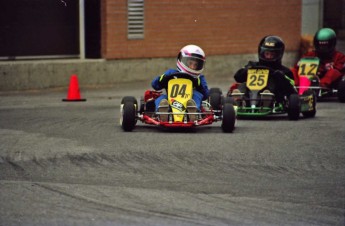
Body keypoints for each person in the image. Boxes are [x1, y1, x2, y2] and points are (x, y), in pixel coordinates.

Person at [230, 35, 296, 103]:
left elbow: (291, 88)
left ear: (279, 54)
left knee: (271, 82)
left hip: (274, 98)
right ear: (261, 52)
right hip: (249, 97)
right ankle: (238, 99)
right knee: (243, 84)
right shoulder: (252, 65)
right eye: (267, 54)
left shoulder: (284, 70)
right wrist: (248, 70)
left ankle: (266, 99)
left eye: (272, 54)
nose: (269, 57)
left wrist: (277, 75)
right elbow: (237, 77)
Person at [151, 44, 209, 121]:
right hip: (170, 100)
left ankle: (193, 112)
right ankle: (163, 112)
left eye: (195, 65)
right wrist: (161, 79)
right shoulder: (171, 73)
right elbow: (155, 85)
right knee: (161, 99)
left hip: (189, 100)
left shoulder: (199, 78)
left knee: (196, 95)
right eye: (190, 63)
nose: (192, 67)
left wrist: (199, 85)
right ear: (182, 60)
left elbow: (205, 95)